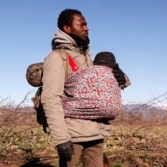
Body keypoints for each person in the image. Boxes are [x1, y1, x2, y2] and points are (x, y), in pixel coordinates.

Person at [41, 9, 128, 167]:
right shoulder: (57, 58)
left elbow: (103, 90)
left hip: (96, 132)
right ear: (67, 28)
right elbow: (50, 98)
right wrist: (61, 138)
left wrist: (122, 78)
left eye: (86, 24)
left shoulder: (88, 59)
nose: (86, 28)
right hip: (72, 135)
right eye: (81, 24)